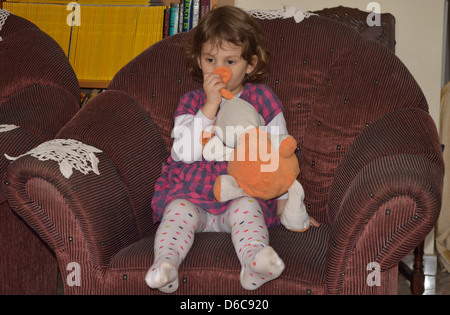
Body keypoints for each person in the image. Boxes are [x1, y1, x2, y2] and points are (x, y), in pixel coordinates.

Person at [146, 6, 317, 293]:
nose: (218, 69)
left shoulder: (262, 99)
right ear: (199, 60)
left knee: (248, 210)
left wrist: (287, 202)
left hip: (241, 191)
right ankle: (166, 265)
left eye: (230, 60)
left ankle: (254, 265)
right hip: (192, 194)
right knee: (176, 212)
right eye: (210, 59)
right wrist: (209, 107)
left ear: (249, 64)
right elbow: (184, 153)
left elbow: (278, 155)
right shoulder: (191, 102)